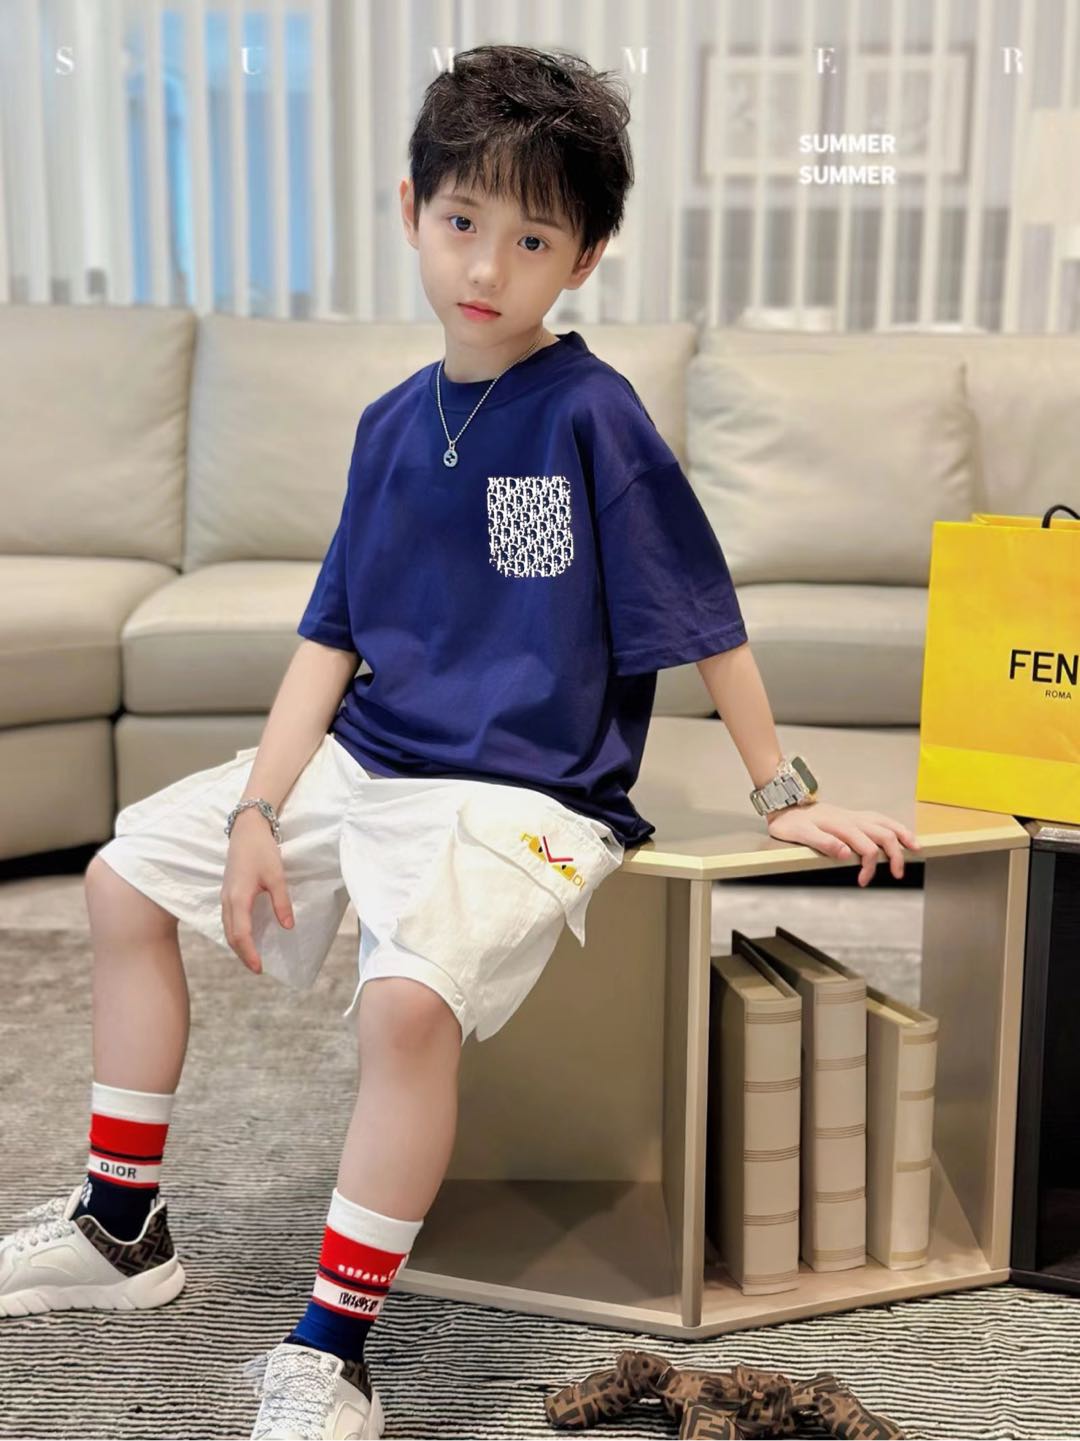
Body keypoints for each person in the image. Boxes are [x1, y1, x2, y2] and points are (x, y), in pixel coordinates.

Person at [0, 42, 919, 1441]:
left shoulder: (593, 414)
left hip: (527, 790)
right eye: (462, 219)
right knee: (121, 878)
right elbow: (330, 637)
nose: (488, 264)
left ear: (586, 257)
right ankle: (123, 1226)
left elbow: (701, 610)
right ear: (412, 211)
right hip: (375, 753)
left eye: (533, 237)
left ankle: (334, 1346)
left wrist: (780, 790)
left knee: (405, 1005)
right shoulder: (389, 425)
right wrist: (257, 808)